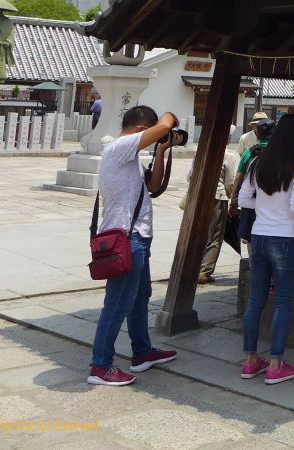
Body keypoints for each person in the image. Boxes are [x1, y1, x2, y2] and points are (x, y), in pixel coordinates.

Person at [87, 105, 181, 386]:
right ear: (142, 130)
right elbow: (164, 125)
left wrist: (162, 151)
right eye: (149, 134)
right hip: (126, 240)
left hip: (137, 238)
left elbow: (152, 186)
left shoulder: (129, 157)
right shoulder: (120, 147)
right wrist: (169, 119)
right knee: (117, 303)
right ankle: (101, 366)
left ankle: (142, 352)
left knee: (140, 297)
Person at [238, 113, 294, 385]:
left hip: (258, 236)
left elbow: (243, 198)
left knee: (256, 299)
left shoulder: (258, 162)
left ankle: (249, 361)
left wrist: (264, 205)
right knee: (282, 301)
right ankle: (275, 364)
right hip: (284, 237)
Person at [181, 133, 242, 283]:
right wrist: (231, 198)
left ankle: (190, 268)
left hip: (197, 195)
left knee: (196, 232)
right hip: (217, 197)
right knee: (214, 235)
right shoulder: (229, 155)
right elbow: (230, 182)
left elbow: (190, 176)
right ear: (226, 139)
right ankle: (204, 271)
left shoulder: (199, 153)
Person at [229, 118, 274, 245]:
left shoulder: (249, 152)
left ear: (257, 134)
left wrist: (233, 201)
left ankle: (253, 262)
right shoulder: (280, 152)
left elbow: (238, 178)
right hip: (275, 202)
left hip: (251, 202)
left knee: (251, 238)